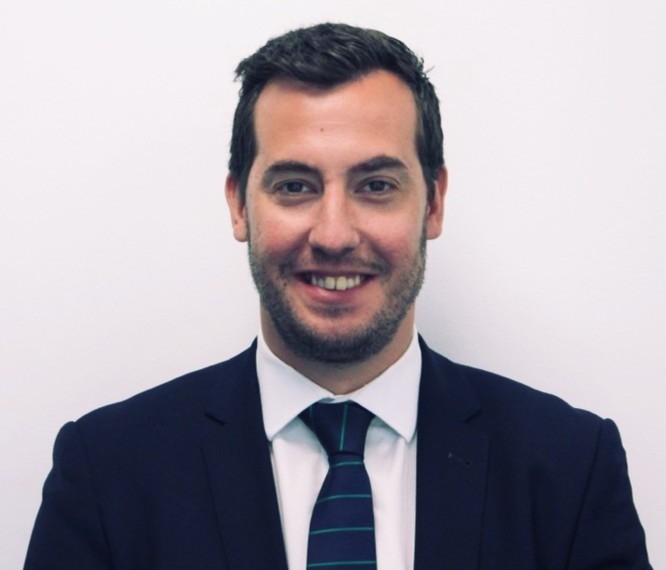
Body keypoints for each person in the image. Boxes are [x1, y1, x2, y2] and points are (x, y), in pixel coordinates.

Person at [25, 23, 651, 569]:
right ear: (238, 205)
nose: (333, 234)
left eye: (375, 185)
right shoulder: (107, 472)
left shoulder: (570, 467)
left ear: (433, 203)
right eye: (295, 186)